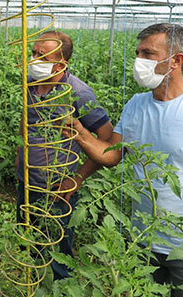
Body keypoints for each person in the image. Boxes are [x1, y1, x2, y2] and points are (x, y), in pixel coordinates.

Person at [69, 23, 183, 295]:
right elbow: (112, 155)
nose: (138, 61)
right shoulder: (135, 105)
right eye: (138, 53)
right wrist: (80, 133)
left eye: (148, 54)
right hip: (142, 242)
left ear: (176, 61)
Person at [15, 31, 113, 280]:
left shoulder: (78, 93)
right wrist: (20, 158)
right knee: (28, 244)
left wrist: (77, 178)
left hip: (58, 188)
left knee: (58, 255)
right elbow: (25, 122)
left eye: (42, 55)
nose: (34, 59)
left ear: (61, 64)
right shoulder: (30, 83)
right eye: (34, 52)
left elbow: (108, 142)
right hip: (26, 182)